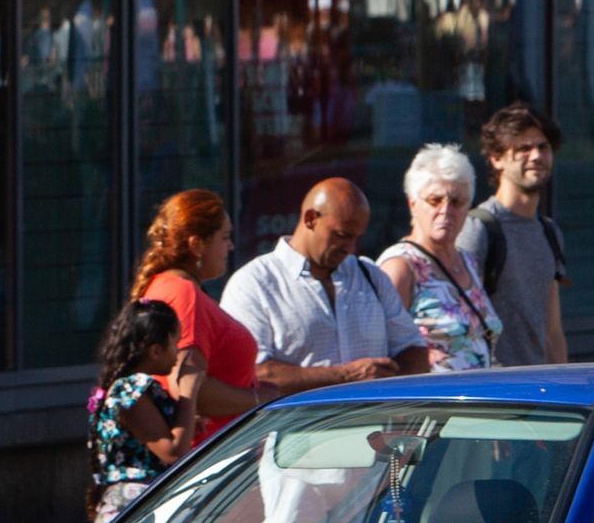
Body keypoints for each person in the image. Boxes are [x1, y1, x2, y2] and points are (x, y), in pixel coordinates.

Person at [221, 178, 429, 397]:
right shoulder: (254, 283)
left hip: (372, 427)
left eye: (357, 238)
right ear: (311, 219)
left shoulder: (370, 276)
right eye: (342, 235)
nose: (350, 248)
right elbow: (255, 373)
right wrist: (346, 376)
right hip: (297, 428)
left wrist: (393, 397)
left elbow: (413, 349)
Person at [130, 189, 273, 439]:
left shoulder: (166, 286)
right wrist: (264, 398)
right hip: (209, 459)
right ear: (197, 245)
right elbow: (188, 389)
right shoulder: (184, 295)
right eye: (225, 237)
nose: (231, 246)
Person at [457, 102, 569, 366]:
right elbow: (460, 323)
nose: (536, 156)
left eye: (543, 147)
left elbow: (552, 330)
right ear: (497, 158)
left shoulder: (550, 232)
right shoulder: (478, 228)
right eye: (523, 148)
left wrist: (565, 382)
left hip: (542, 388)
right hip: (497, 393)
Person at [378, 144, 502, 372]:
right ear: (413, 204)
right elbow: (379, 351)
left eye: (456, 202)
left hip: (481, 401)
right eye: (435, 200)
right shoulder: (401, 266)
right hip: (431, 404)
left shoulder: (467, 261)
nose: (445, 211)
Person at [87, 300, 204, 523]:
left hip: (136, 510)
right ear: (156, 350)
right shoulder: (131, 388)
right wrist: (188, 391)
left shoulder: (131, 388)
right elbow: (173, 451)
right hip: (134, 513)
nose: (178, 351)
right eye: (176, 342)